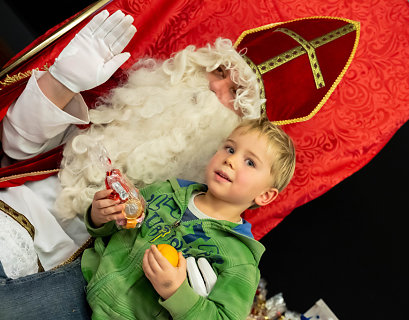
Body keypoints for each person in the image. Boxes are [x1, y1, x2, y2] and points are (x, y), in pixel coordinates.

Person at [0, 10, 263, 279]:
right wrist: (62, 83)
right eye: (218, 71)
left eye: (235, 92)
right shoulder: (115, 101)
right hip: (13, 218)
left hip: (69, 281)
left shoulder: (200, 197)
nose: (215, 87)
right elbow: (17, 145)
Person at [1, 117, 296, 319]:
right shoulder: (166, 191)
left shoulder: (239, 257)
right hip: (82, 283)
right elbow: (118, 229)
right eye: (230, 148)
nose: (231, 159)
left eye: (249, 162)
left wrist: (177, 293)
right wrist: (100, 217)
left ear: (265, 196)